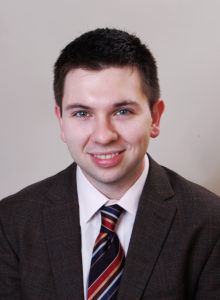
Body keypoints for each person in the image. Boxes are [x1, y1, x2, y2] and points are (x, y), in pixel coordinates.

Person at [0, 28, 220, 300]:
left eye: (122, 111)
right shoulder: (11, 222)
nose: (103, 136)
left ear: (155, 117)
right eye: (82, 113)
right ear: (61, 122)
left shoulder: (210, 222)